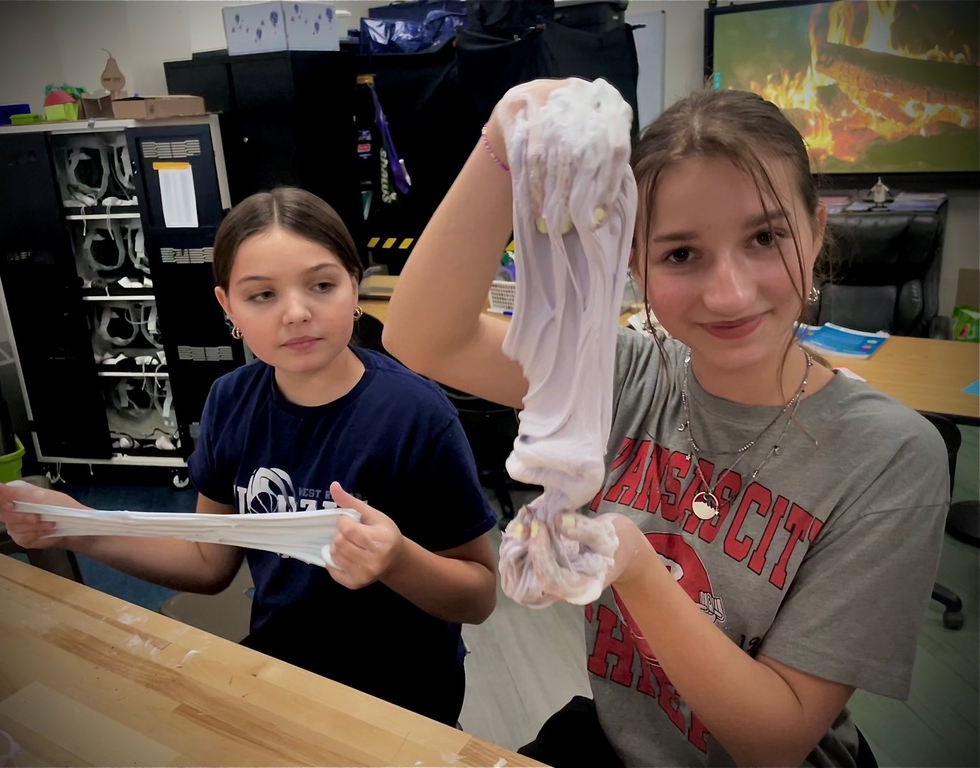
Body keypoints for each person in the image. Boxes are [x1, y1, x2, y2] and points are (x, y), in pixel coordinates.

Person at [382, 81, 949, 766]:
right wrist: (505, 140)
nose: (729, 292)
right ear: (636, 267)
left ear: (817, 231)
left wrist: (635, 564)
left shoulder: (888, 455)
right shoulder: (625, 374)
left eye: (766, 237)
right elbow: (423, 336)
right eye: (681, 254)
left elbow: (774, 739)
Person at [0, 187, 497, 727]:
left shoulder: (416, 415)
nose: (296, 313)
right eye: (262, 296)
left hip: (402, 698)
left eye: (322, 285)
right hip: (282, 678)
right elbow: (211, 562)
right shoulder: (231, 400)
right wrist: (78, 526)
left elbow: (478, 595)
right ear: (226, 306)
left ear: (355, 285)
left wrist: (397, 560)